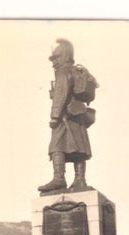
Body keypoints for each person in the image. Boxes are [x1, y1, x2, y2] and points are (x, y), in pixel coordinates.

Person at [39, 39, 94, 195]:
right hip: (78, 116)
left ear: (64, 56)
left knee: (56, 146)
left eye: (56, 58)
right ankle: (80, 180)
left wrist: (54, 116)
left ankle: (59, 178)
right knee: (79, 149)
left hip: (65, 117)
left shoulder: (63, 72)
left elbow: (61, 95)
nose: (54, 62)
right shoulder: (75, 71)